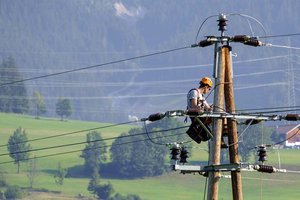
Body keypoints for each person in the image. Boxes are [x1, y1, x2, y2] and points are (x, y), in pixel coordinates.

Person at [186, 77, 213, 144]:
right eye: (209, 89)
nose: (208, 91)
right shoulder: (194, 92)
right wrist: (202, 109)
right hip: (195, 115)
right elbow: (194, 106)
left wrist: (211, 107)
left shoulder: (202, 97)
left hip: (201, 116)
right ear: (206, 86)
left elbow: (208, 108)